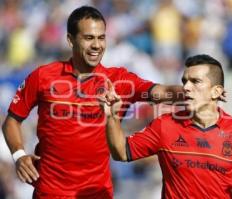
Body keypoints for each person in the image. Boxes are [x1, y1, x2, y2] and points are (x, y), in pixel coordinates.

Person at [1, 6, 187, 199]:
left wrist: (196, 92)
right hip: (50, 193)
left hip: (97, 193)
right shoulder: (43, 76)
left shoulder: (119, 81)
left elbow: (163, 92)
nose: (97, 45)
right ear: (70, 40)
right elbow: (12, 120)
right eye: (89, 38)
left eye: (101, 37)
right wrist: (19, 155)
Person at [103, 54, 232, 198]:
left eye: (195, 81)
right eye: (184, 81)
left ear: (216, 92)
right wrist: (112, 116)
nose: (186, 87)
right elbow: (121, 152)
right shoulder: (165, 125)